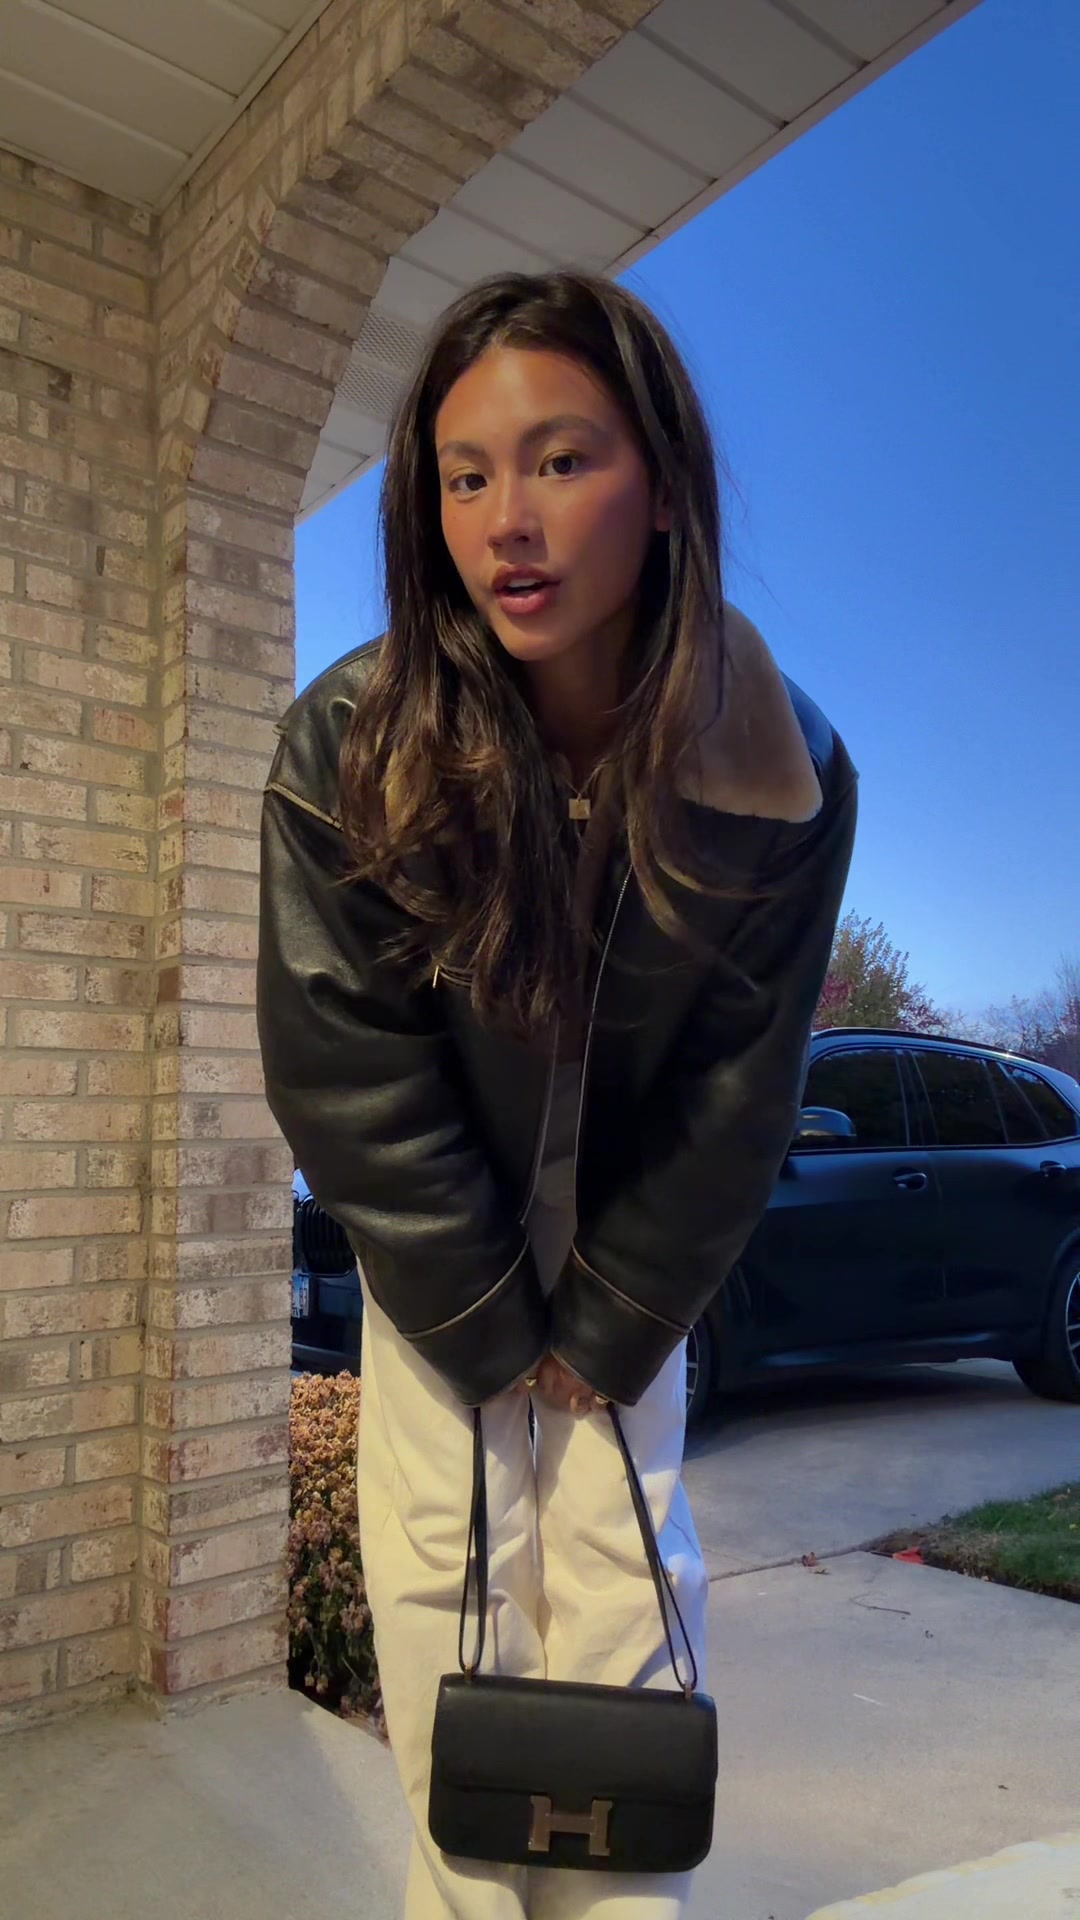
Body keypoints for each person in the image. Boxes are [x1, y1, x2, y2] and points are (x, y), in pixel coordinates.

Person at [257, 269, 857, 1920]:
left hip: (628, 1267)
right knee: (442, 1611)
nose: (505, 522)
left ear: (661, 488)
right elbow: (343, 1061)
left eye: (561, 461)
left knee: (625, 1610)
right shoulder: (351, 740)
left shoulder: (786, 773)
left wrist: (608, 1324)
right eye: (465, 477)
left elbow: (742, 1087)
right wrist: (484, 1320)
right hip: (440, 1261)